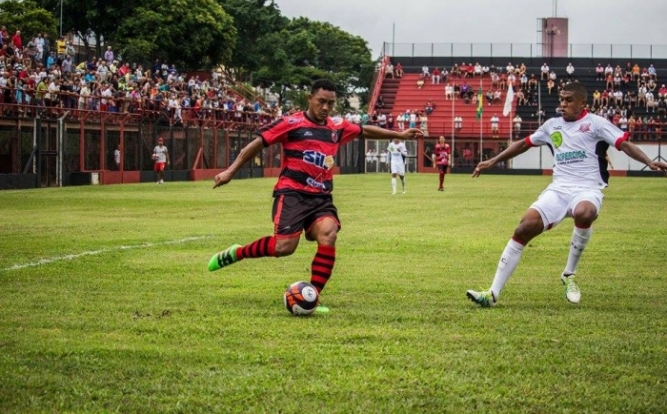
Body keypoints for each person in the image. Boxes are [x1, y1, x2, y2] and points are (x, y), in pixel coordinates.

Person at [207, 79, 422, 313]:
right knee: (284, 247)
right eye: (321, 101)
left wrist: (398, 134)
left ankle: (313, 297)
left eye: (331, 103)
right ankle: (237, 252)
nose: (326, 107)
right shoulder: (291, 123)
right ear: (309, 99)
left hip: (320, 198)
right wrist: (230, 171)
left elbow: (364, 130)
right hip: (292, 194)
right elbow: (257, 144)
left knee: (329, 234)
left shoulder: (337, 126)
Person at [466, 82, 667, 308]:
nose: (563, 104)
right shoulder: (552, 126)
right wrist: (493, 160)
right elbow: (524, 144)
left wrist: (648, 161)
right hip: (559, 189)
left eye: (569, 100)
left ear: (583, 103)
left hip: (588, 188)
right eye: (561, 99)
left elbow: (624, 145)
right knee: (523, 228)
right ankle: (491, 294)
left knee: (585, 212)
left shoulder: (596, 124)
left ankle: (569, 274)